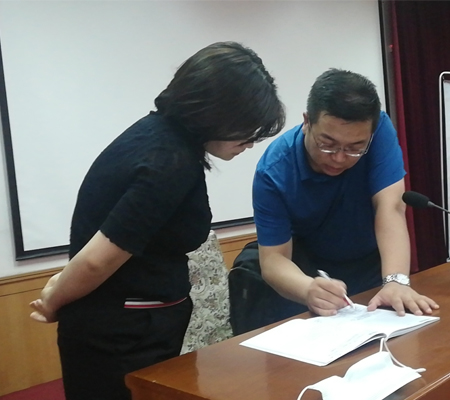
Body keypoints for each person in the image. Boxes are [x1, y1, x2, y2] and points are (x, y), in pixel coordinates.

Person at [29, 41, 285, 400]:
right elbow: (97, 259)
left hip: (135, 329)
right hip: (120, 338)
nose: (251, 142)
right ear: (218, 112)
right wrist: (53, 300)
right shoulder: (168, 160)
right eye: (248, 129)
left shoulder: (160, 137)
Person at [252, 69, 438, 322]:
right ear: (307, 122)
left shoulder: (378, 129)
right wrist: (307, 289)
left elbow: (391, 206)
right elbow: (274, 259)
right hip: (312, 275)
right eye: (327, 144)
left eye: (354, 148)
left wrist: (396, 280)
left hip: (372, 264)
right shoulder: (274, 170)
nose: (339, 158)